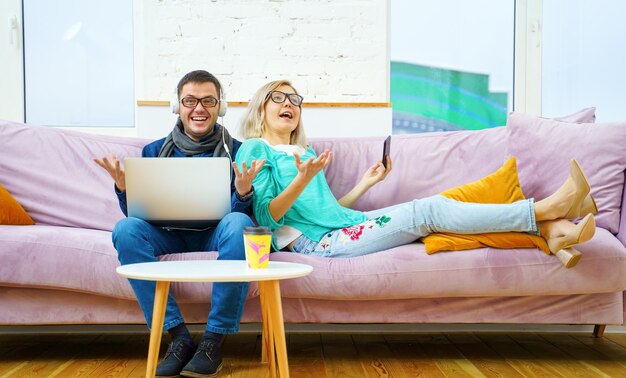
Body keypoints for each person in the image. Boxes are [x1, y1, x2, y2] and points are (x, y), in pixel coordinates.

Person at [235, 79, 597, 268]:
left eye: (295, 100)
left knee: (437, 211)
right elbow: (266, 217)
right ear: (260, 108)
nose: (289, 105)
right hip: (319, 245)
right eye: (278, 98)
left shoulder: (305, 152)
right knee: (427, 212)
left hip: (340, 227)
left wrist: (367, 182)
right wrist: (301, 178)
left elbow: (327, 212)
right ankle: (544, 212)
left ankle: (551, 231)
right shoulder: (256, 148)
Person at [95, 70, 264, 378]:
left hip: (215, 234)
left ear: (220, 107)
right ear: (178, 106)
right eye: (190, 100)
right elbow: (138, 216)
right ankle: (179, 337)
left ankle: (213, 340)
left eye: (208, 101)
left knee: (240, 222)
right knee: (125, 229)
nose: (198, 108)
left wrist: (242, 192)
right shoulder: (152, 152)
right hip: (168, 235)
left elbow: (244, 213)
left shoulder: (239, 151)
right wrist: (124, 190)